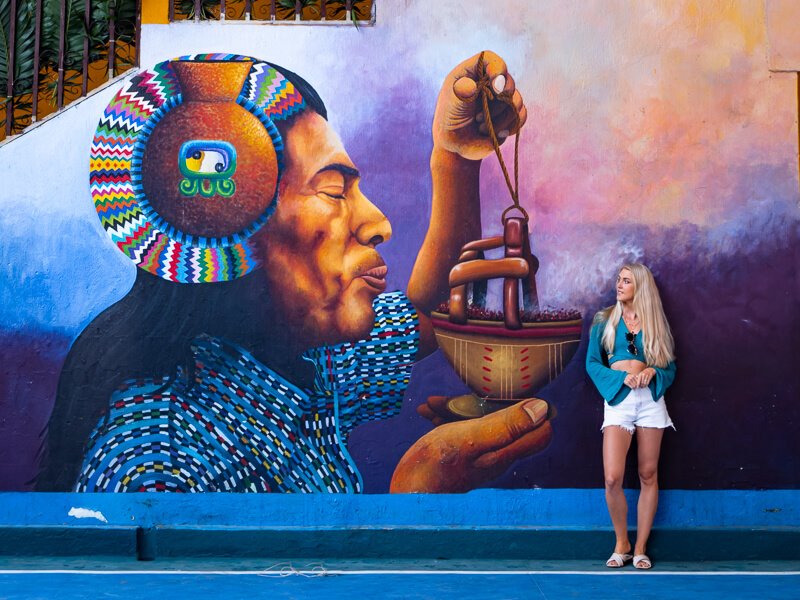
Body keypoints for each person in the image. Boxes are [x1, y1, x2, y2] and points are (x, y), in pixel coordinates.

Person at [37, 51, 553, 493]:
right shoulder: (158, 466)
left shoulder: (290, 360)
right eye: (333, 191)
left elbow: (432, 313)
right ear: (235, 236)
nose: (378, 224)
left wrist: (456, 157)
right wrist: (416, 499)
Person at [586, 263, 676, 569]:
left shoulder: (655, 324)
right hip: (619, 400)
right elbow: (592, 364)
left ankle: (640, 548)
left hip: (650, 400)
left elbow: (670, 367)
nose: (619, 284)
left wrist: (652, 371)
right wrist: (619, 380)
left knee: (648, 474)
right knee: (612, 478)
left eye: (626, 280)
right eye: (619, 279)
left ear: (640, 287)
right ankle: (621, 542)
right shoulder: (604, 321)